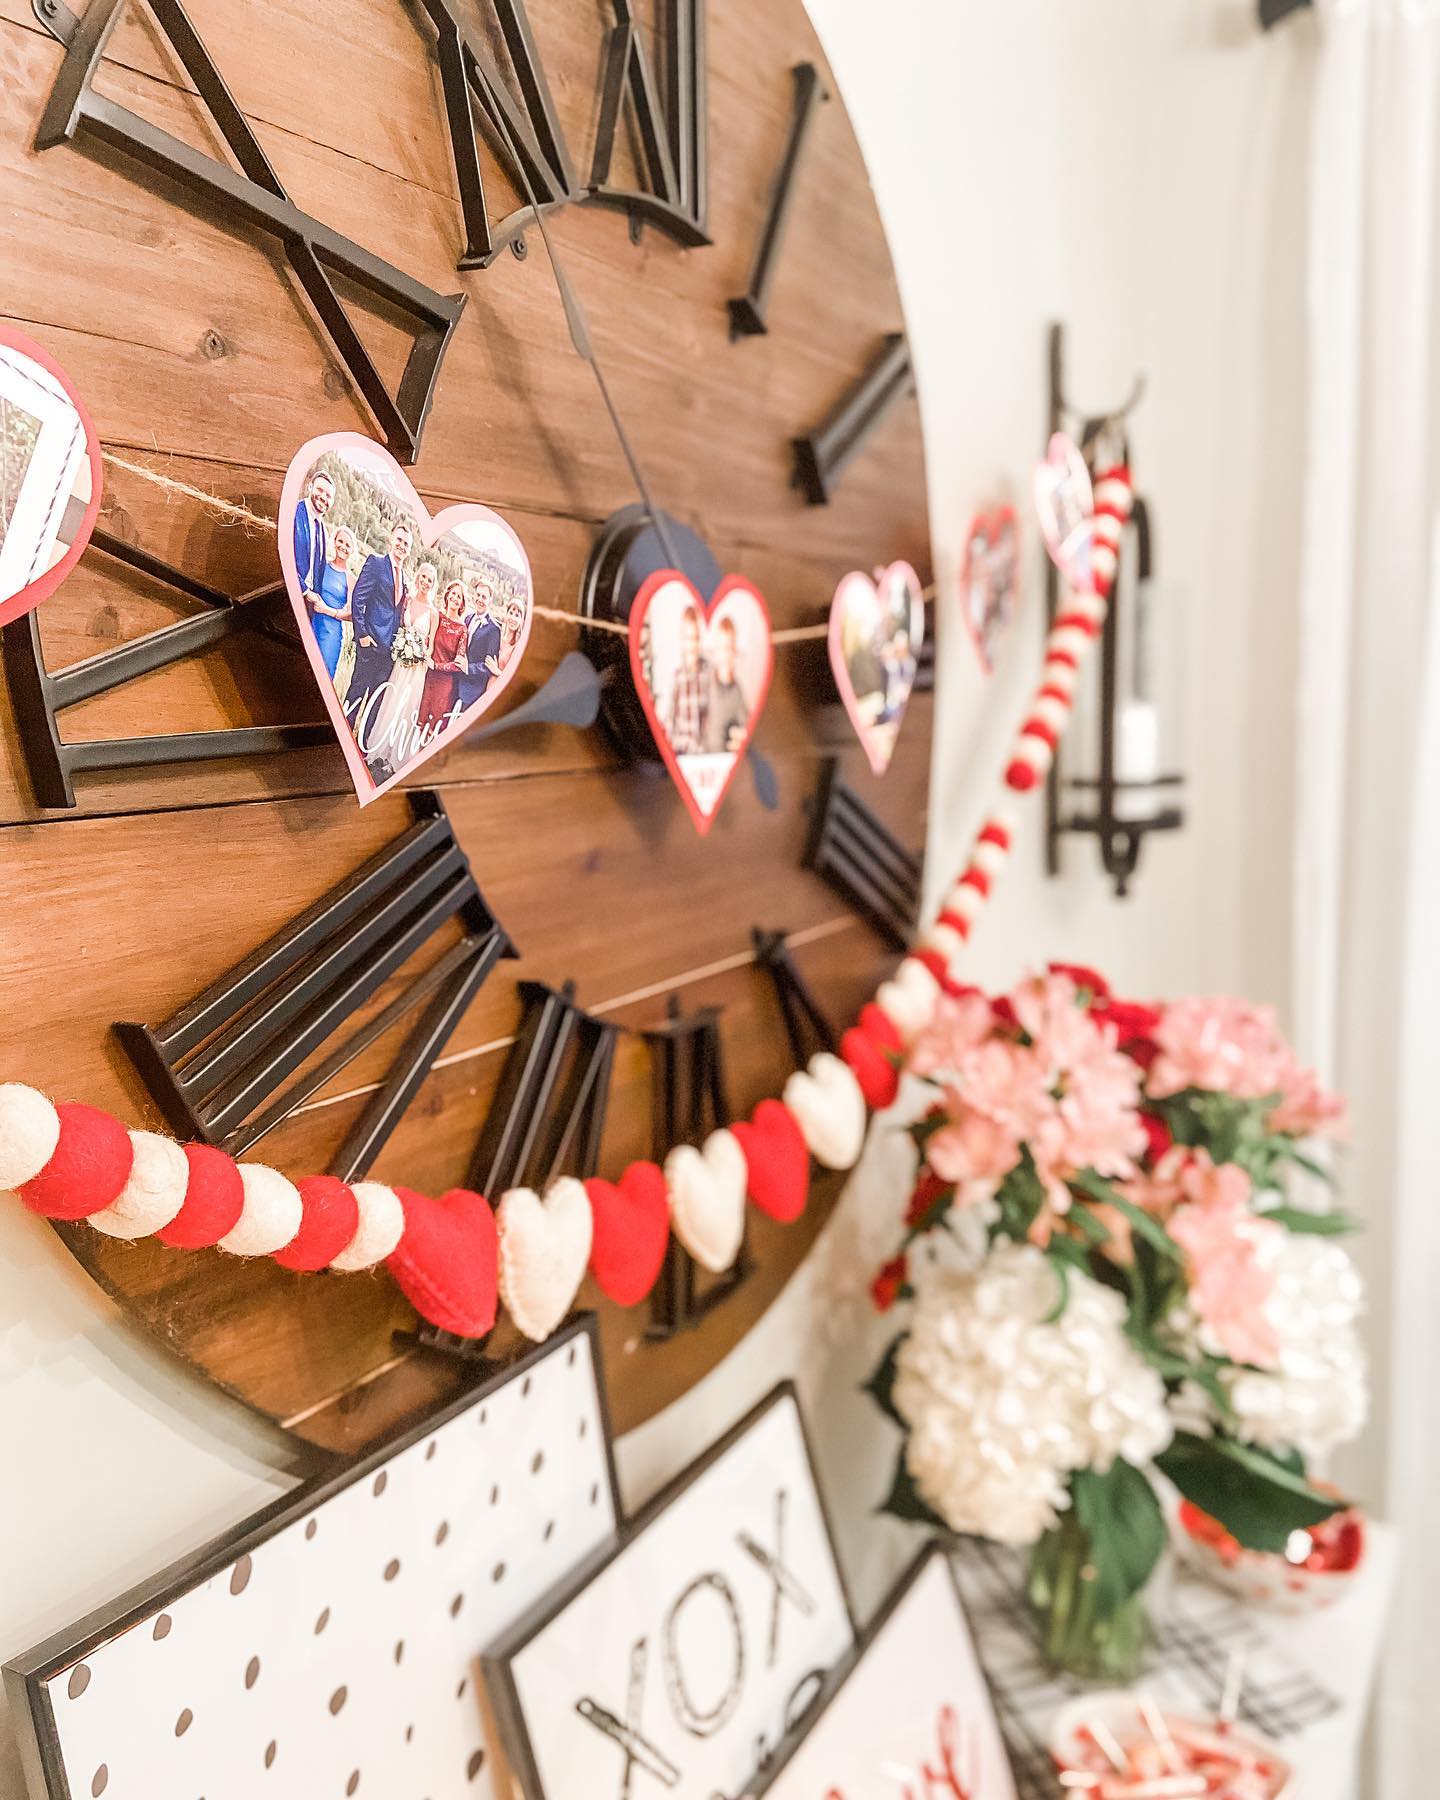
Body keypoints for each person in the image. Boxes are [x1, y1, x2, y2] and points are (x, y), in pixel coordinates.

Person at [348, 517, 413, 737]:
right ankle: (342, 738)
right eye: (400, 540)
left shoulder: (404, 578)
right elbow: (358, 599)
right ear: (391, 539)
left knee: (376, 701)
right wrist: (363, 635)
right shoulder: (376, 563)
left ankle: (362, 745)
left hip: (388, 652)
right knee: (356, 693)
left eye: (406, 544)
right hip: (370, 644)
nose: (402, 546)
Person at [372, 557, 439, 762]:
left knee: (406, 706)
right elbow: (401, 628)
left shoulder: (433, 612)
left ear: (433, 584)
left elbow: (431, 647)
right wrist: (403, 647)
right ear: (418, 578)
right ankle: (379, 748)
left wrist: (418, 654)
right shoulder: (408, 601)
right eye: (423, 577)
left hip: (416, 668)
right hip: (401, 663)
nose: (426, 582)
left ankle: (395, 756)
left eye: (430, 580)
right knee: (392, 700)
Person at [419, 578, 469, 733]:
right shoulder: (436, 616)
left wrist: (436, 665)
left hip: (444, 684)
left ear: (462, 603)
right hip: (425, 677)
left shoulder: (462, 629)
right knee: (418, 720)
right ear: (447, 596)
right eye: (453, 594)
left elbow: (458, 664)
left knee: (432, 727)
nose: (455, 598)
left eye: (459, 597)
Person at [308, 521, 354, 683]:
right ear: (334, 542)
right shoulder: (321, 565)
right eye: (340, 541)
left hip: (331, 634)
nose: (343, 547)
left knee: (323, 677)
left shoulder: (351, 579)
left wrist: (327, 610)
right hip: (311, 624)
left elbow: (351, 615)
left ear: (352, 550)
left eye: (348, 545)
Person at [703, 616, 749, 754]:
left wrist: (740, 736)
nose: (726, 655)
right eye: (722, 649)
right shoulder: (705, 682)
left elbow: (744, 726)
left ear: (734, 652)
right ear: (715, 651)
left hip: (725, 759)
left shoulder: (737, 691)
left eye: (729, 649)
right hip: (702, 757)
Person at [666, 605, 707, 753]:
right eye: (687, 639)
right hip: (682, 751)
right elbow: (670, 720)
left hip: (704, 753)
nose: (692, 645)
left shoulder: (707, 675)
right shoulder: (677, 677)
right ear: (681, 641)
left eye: (695, 638)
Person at [293, 469, 334, 615]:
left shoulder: (323, 530)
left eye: (328, 496)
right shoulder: (294, 512)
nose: (323, 497)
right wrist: (304, 590)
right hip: (290, 594)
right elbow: (286, 557)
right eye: (320, 490)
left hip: (309, 605)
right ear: (310, 487)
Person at [456, 576, 501, 710]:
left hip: (472, 690)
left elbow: (488, 666)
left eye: (484, 597)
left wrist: (468, 668)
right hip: (456, 682)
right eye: (478, 595)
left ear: (490, 600)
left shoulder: (494, 629)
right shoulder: (468, 618)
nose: (480, 600)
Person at [485, 592, 527, 679]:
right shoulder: (497, 637)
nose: (513, 618)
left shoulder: (517, 647)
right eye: (511, 613)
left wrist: (497, 671)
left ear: (521, 621)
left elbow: (515, 679)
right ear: (506, 615)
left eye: (517, 615)